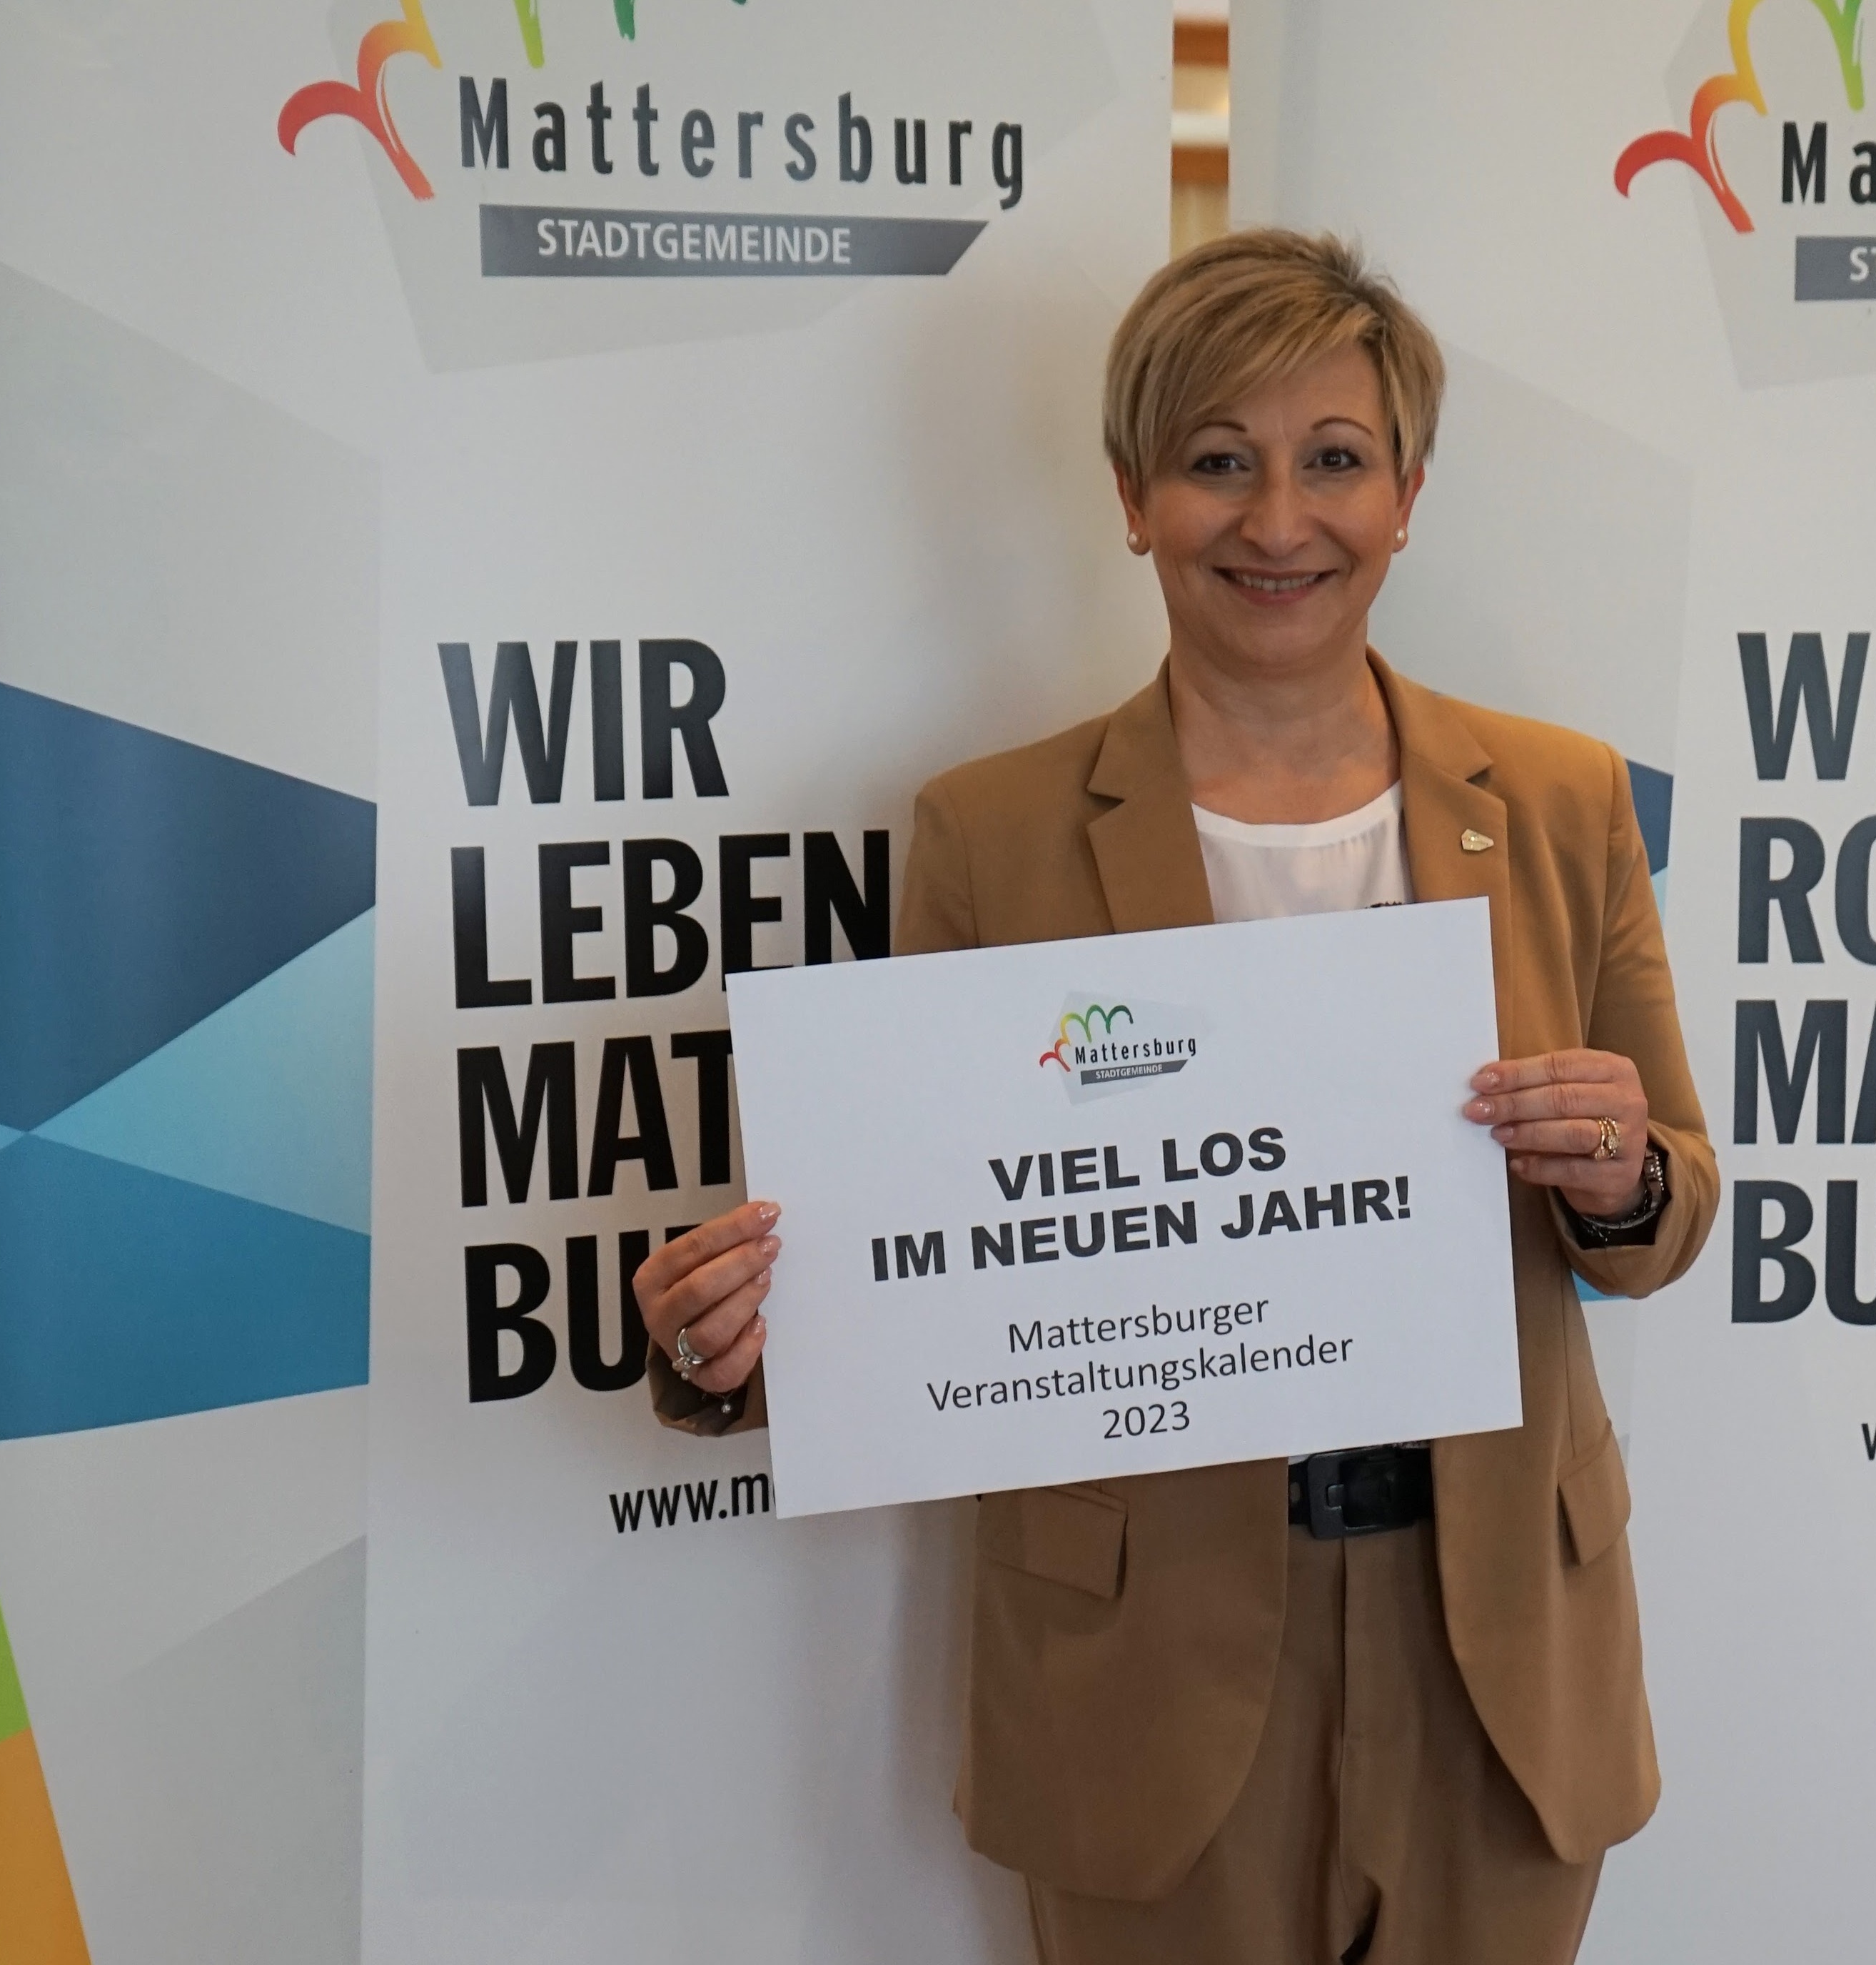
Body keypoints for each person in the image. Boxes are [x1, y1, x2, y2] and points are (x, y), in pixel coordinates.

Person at [634, 229, 1718, 1965]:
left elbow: (1670, 1198)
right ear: (1132, 497)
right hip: (1145, 1668)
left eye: (1333, 459)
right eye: (1218, 461)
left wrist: (1622, 1177)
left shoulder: (1558, 797)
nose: (1278, 520)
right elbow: (930, 1253)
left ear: (1407, 496)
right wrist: (732, 1345)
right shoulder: (987, 834)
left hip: (1500, 1649)